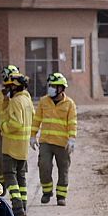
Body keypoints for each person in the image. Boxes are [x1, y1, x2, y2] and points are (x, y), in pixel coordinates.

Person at [34, 72, 78, 206]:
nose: (51, 88)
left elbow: (72, 122)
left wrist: (72, 139)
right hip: (46, 141)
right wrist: (32, 135)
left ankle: (61, 196)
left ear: (61, 88)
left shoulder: (69, 104)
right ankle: (47, 192)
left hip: (62, 143)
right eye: (50, 85)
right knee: (44, 166)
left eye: (54, 86)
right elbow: (37, 120)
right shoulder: (43, 101)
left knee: (63, 169)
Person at [0, 71, 35, 216]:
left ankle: (17, 207)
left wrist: (2, 126)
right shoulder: (27, 100)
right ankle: (23, 205)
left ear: (15, 87)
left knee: (10, 176)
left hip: (11, 146)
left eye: (10, 87)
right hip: (23, 146)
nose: (7, 89)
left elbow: (16, 123)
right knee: (21, 177)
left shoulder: (16, 102)